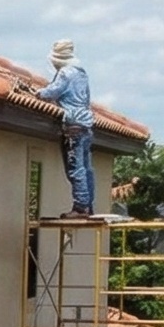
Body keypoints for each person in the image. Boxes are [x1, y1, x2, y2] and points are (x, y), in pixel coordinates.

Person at [36, 40, 96, 216]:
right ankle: (89, 205)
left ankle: (80, 207)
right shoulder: (82, 74)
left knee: (75, 168)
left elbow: (53, 92)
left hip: (73, 126)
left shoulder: (65, 73)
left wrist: (39, 93)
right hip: (86, 125)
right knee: (86, 168)